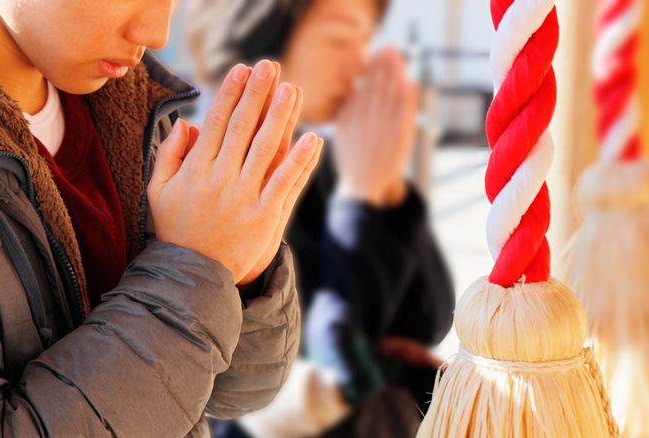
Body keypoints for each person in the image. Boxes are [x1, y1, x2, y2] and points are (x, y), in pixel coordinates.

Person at [0, 0, 321, 436]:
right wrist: (192, 269)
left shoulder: (133, 106)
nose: (157, 34)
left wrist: (241, 271)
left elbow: (238, 391)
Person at [185, 0, 455, 435]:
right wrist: (363, 205)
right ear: (263, 35)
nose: (360, 63)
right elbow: (329, 365)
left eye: (366, 40)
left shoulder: (323, 164)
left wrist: (391, 197)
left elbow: (431, 321)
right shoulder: (202, 181)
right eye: (340, 38)